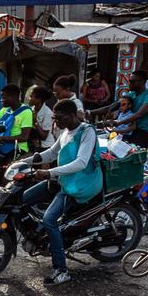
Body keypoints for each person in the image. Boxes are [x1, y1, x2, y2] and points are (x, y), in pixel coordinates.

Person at [20, 100, 102, 286]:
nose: (55, 122)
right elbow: (51, 153)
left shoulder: (87, 132)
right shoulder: (65, 132)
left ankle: (61, 270)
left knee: (49, 220)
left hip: (80, 184)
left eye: (59, 118)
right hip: (64, 180)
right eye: (54, 118)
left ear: (72, 115)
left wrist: (49, 172)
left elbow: (81, 162)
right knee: (22, 199)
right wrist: (26, 162)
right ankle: (40, 237)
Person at [93, 69, 148, 147]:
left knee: (132, 154)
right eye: (129, 81)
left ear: (141, 82)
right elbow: (112, 107)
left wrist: (120, 122)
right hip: (129, 130)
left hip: (144, 131)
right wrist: (90, 112)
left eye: (132, 81)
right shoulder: (131, 94)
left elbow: (139, 114)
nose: (129, 83)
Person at [29, 85, 55, 151]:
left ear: (39, 99)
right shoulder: (31, 110)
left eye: (32, 96)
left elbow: (44, 137)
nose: (29, 99)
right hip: (35, 145)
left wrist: (35, 122)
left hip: (46, 147)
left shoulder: (48, 113)